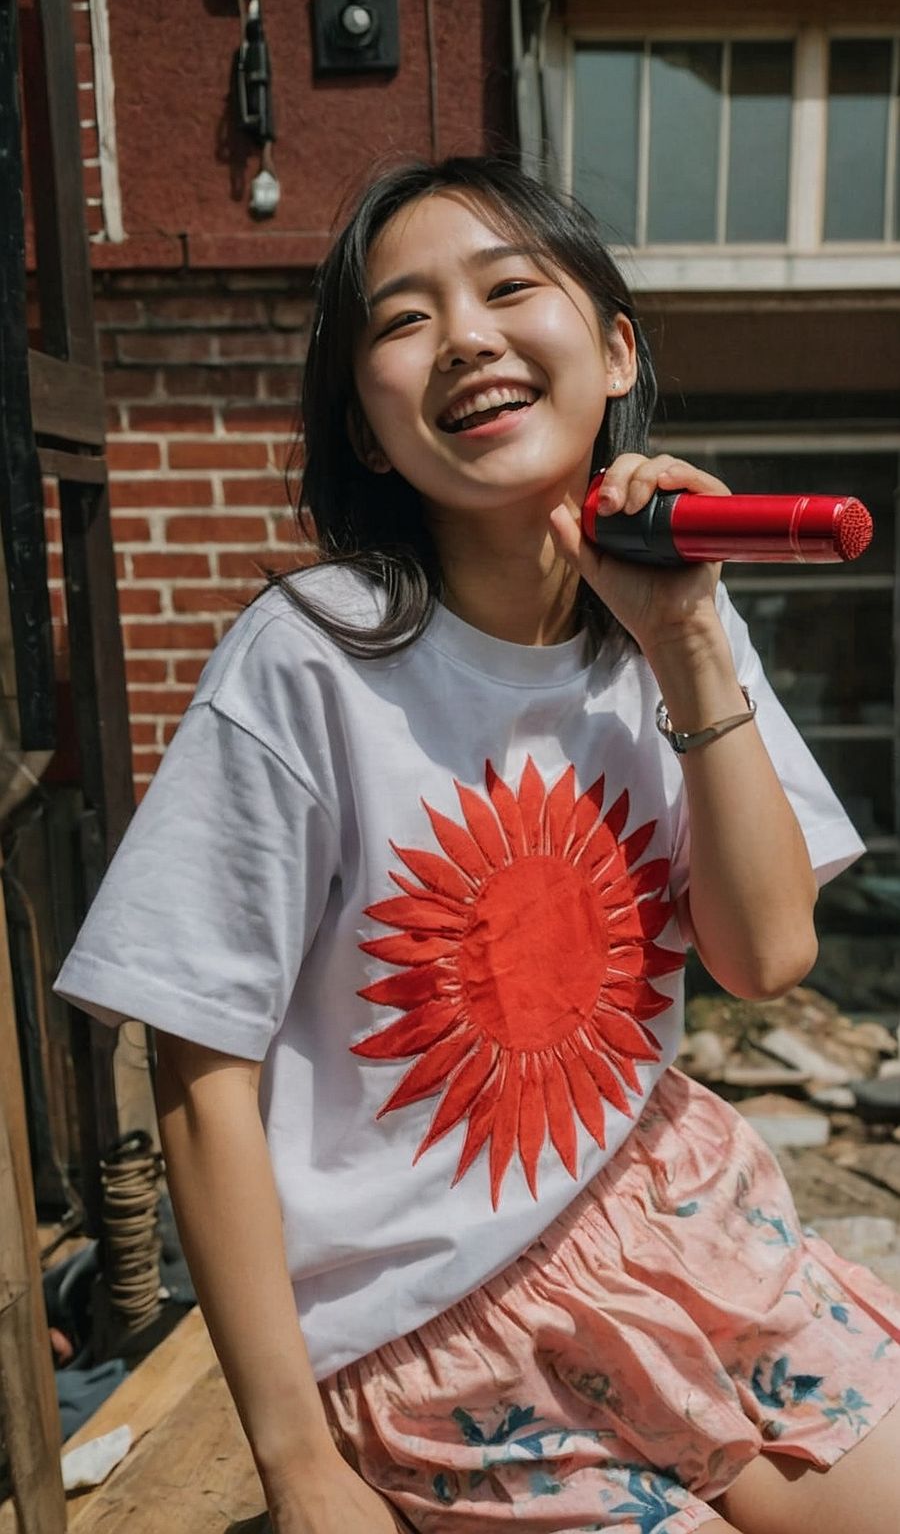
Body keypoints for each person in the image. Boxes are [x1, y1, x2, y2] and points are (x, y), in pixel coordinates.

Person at [55, 156, 900, 1534]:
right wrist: (298, 1467)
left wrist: (686, 638)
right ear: (372, 433)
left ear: (615, 348)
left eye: (513, 287)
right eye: (403, 319)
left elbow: (765, 954)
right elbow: (200, 1071)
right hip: (441, 1333)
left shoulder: (675, 616)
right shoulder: (307, 661)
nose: (467, 337)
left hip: (679, 1229)